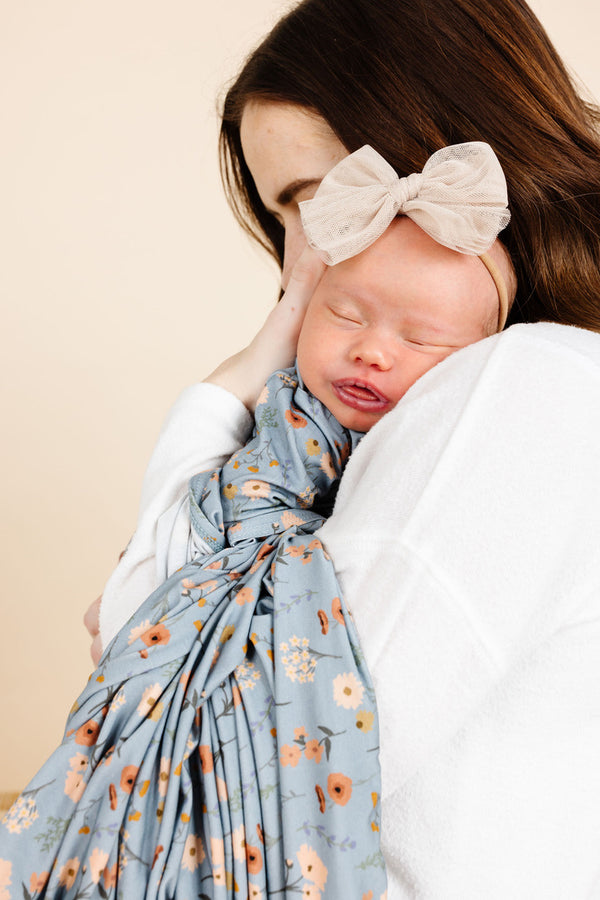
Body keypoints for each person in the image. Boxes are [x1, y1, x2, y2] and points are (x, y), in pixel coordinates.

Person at [87, 0, 600, 896]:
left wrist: (133, 606)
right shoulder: (427, 408)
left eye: (316, 200)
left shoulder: (513, 386)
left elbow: (235, 766)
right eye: (284, 213)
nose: (297, 258)